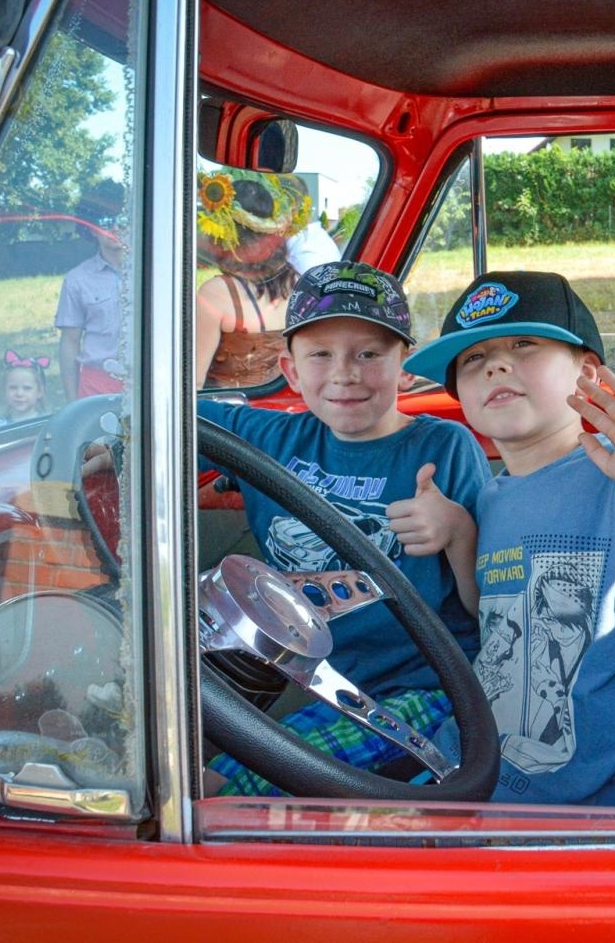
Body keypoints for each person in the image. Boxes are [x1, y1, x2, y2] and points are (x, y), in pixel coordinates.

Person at [402, 272, 615, 806]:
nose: (494, 363)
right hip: (472, 767)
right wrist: (461, 538)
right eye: (472, 359)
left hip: (571, 810)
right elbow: (493, 615)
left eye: (524, 344)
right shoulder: (493, 497)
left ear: (586, 373)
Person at [198, 261, 490, 795]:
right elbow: (159, 417)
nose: (345, 374)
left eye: (369, 354)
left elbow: (488, 608)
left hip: (432, 687)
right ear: (289, 370)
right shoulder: (268, 437)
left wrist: (457, 529)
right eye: (321, 354)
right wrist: (107, 447)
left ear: (405, 365)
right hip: (328, 682)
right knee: (190, 766)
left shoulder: (443, 449)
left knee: (224, 793)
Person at [194, 168, 312, 388]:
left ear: (227, 233)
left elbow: (194, 381)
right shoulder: (298, 283)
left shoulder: (216, 292)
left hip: (231, 418)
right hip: (285, 413)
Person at [55, 181, 127, 400]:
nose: (114, 228)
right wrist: (72, 400)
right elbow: (70, 342)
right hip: (96, 385)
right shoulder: (77, 280)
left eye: (121, 220)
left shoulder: (155, 273)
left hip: (149, 379)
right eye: (105, 222)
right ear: (92, 229)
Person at [1, 350, 50, 422]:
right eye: (13, 387)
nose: (19, 394)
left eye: (27, 388)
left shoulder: (46, 424)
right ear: (5, 389)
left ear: (39, 391)